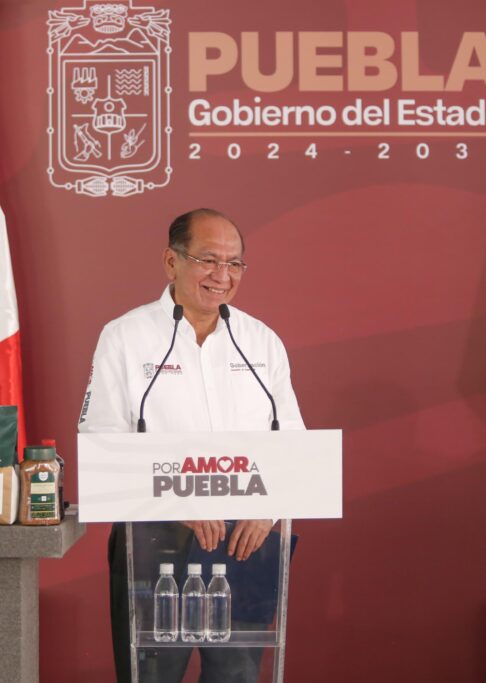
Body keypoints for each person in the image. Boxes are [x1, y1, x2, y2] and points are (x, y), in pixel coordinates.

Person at [78, 208, 304, 682]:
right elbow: (101, 442)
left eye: (234, 263)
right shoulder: (126, 337)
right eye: (208, 260)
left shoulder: (261, 343)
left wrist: (269, 510)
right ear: (171, 261)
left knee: (237, 675)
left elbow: (293, 445)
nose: (222, 275)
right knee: (151, 675)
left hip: (246, 540)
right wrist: (179, 498)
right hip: (155, 538)